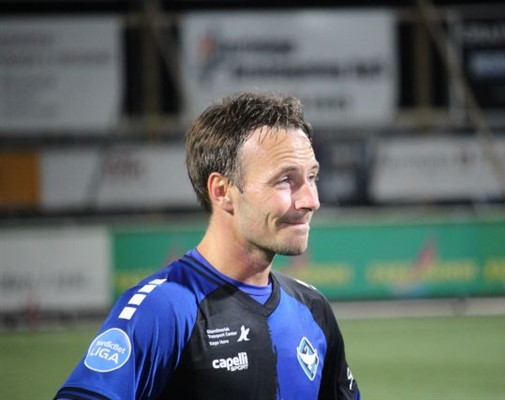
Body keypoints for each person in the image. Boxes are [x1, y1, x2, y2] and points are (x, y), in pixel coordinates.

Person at [55, 92, 360, 400]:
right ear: (222, 191)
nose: (311, 200)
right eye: (285, 180)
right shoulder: (162, 309)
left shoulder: (313, 308)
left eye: (312, 177)